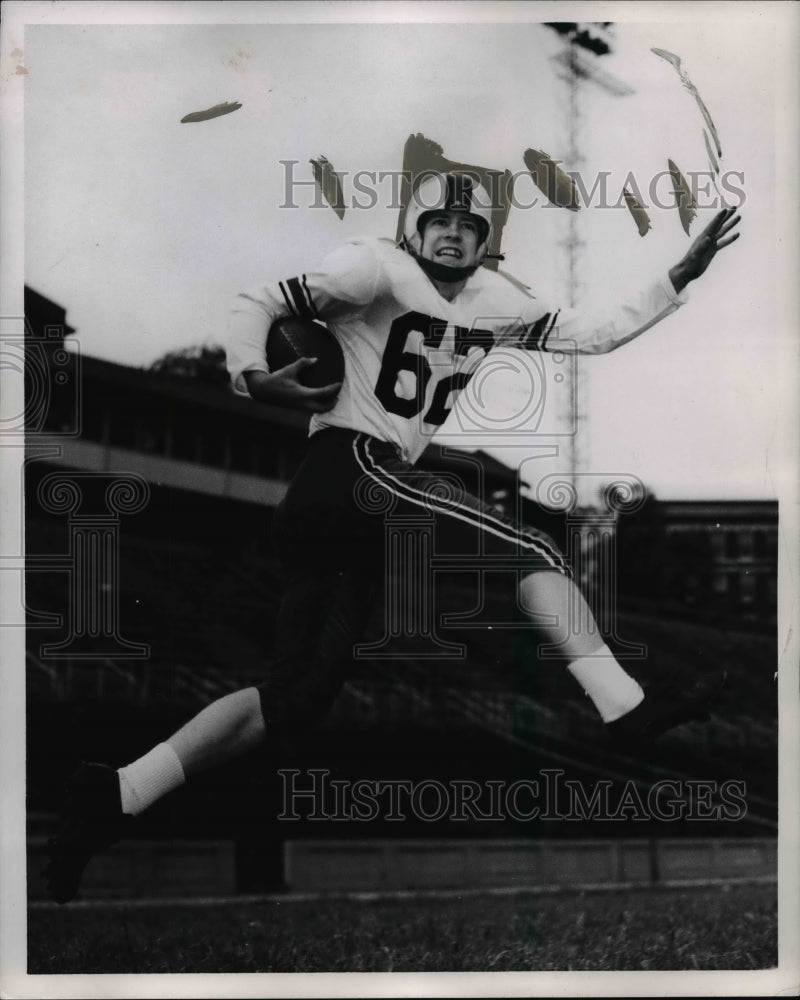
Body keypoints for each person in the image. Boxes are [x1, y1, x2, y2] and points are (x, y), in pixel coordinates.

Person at [44, 172, 740, 903]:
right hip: (350, 467)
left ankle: (118, 791)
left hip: (342, 508)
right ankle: (626, 706)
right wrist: (254, 378)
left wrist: (675, 278)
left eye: (469, 228)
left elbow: (593, 335)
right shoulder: (374, 265)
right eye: (439, 220)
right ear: (414, 226)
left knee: (292, 701)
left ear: (485, 244)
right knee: (532, 551)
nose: (452, 234)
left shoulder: (500, 301)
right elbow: (260, 300)